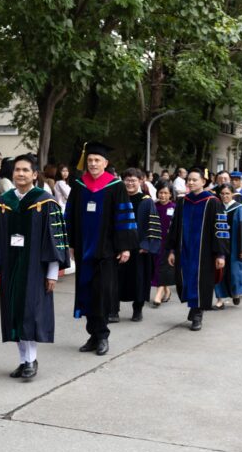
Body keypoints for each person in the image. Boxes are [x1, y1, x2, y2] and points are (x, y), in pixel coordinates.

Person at [0, 155, 69, 380]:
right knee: (14, 313)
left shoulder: (45, 202)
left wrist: (52, 273)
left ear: (34, 175)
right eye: (17, 170)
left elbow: (54, 240)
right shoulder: (3, 202)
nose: (20, 173)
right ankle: (23, 361)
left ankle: (31, 360)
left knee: (30, 313)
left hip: (35, 269)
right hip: (11, 266)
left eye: (25, 170)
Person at [64, 142, 134, 356]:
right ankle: (93, 335)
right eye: (90, 160)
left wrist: (124, 247)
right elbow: (70, 215)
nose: (93, 163)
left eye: (97, 160)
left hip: (106, 250)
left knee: (101, 293)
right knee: (86, 292)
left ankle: (102, 335)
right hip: (84, 249)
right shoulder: (79, 185)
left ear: (105, 163)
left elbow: (124, 217)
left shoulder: (115, 186)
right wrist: (71, 244)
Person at [166, 169, 229, 331]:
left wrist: (220, 254)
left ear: (203, 182)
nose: (191, 182)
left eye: (195, 180)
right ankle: (194, 307)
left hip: (204, 252)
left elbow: (220, 229)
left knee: (201, 282)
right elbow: (174, 228)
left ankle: (198, 314)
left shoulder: (213, 202)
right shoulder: (182, 202)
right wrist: (172, 250)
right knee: (186, 280)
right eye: (189, 180)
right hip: (184, 249)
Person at [117, 168, 162, 322]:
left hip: (139, 248)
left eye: (133, 180)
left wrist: (147, 245)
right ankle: (113, 309)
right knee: (116, 279)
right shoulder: (118, 198)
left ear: (141, 181)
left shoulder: (146, 201)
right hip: (119, 246)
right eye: (127, 180)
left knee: (139, 280)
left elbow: (153, 225)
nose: (130, 183)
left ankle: (138, 310)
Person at [212, 184, 242, 308]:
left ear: (232, 194)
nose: (224, 196)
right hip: (220, 245)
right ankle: (220, 300)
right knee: (219, 272)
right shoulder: (216, 207)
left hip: (235, 246)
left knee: (235, 272)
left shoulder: (240, 208)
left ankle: (235, 293)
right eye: (222, 194)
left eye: (227, 193)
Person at [150, 182, 176, 307]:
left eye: (166, 193)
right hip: (155, 242)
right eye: (161, 192)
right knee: (156, 267)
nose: (163, 195)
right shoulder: (154, 206)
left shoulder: (175, 207)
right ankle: (166, 290)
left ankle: (158, 295)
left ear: (170, 194)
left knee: (163, 267)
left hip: (168, 243)